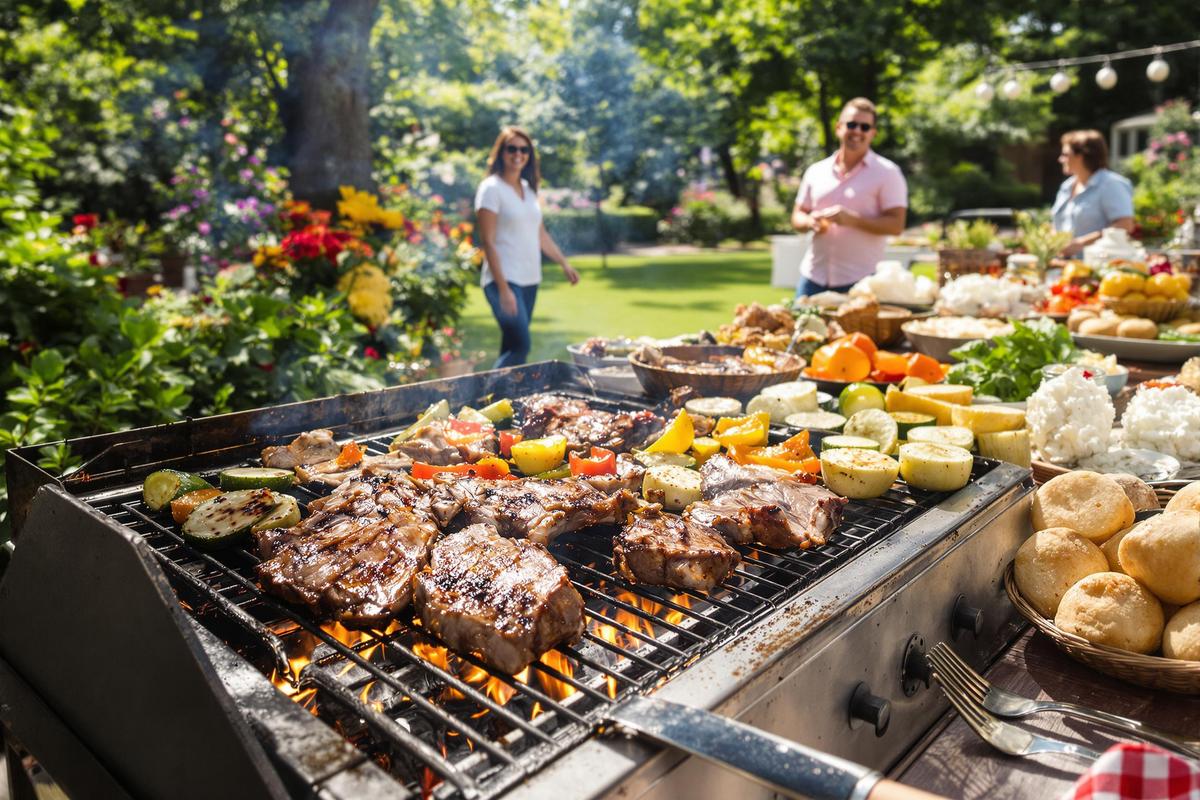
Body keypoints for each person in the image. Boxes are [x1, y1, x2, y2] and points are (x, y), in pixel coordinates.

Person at [475, 126, 579, 368]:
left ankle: (501, 401)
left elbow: (540, 233)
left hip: (530, 279)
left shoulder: (528, 188)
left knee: (512, 344)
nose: (518, 154)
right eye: (512, 148)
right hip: (503, 279)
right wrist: (503, 289)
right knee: (520, 346)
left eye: (524, 149)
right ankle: (487, 400)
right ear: (501, 152)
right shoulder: (490, 188)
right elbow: (488, 241)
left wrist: (564, 263)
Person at [791, 97, 908, 297]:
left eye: (865, 127)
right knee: (798, 329)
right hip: (812, 277)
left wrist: (852, 220)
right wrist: (810, 222)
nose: (857, 131)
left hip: (861, 282)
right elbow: (797, 215)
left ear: (873, 133)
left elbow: (896, 225)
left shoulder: (888, 172)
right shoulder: (816, 171)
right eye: (852, 124)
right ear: (838, 127)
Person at [1052, 130, 1134, 256]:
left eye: (1065, 154)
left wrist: (1081, 243)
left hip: (1099, 264)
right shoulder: (1066, 186)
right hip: (1064, 264)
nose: (1060, 159)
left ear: (1081, 155)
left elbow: (1125, 225)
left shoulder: (1111, 184)